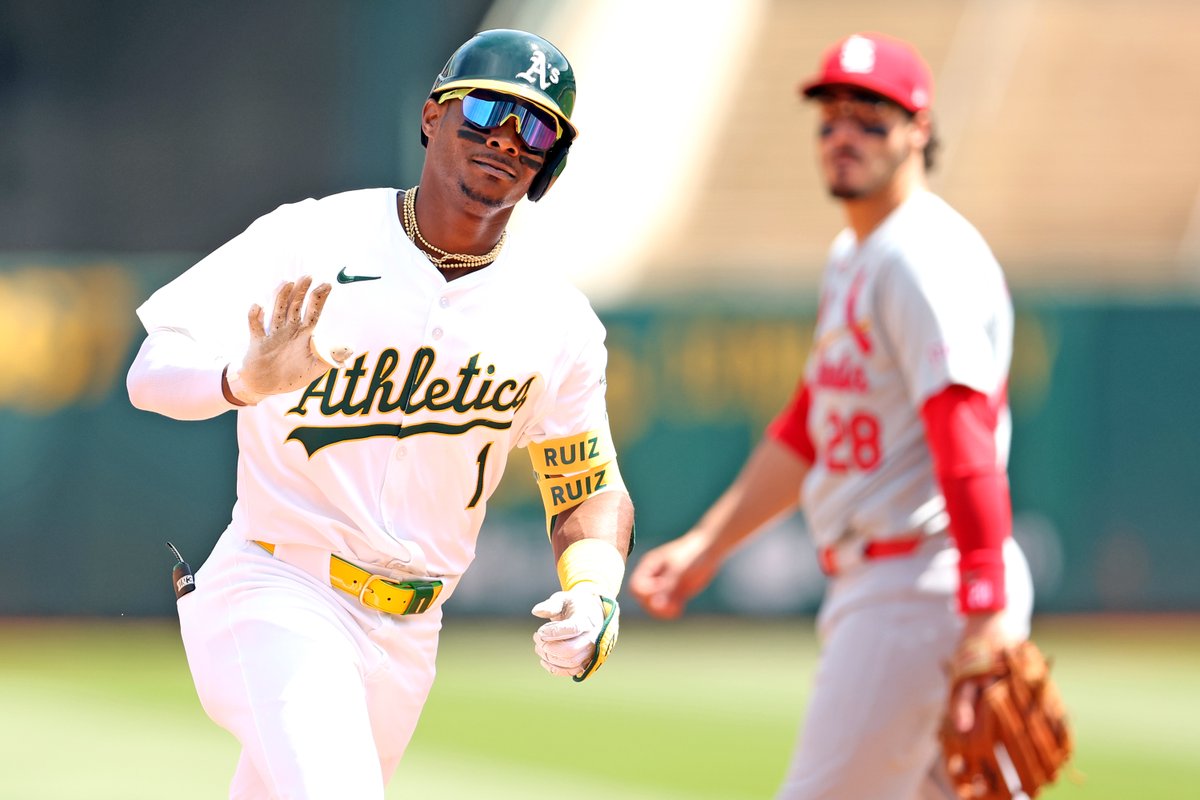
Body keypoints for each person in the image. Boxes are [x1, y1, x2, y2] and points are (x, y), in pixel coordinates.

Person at [127, 28, 634, 799]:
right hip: (277, 588)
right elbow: (149, 372)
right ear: (433, 116)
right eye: (488, 109)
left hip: (410, 633)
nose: (504, 137)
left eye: (534, 126)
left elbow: (588, 490)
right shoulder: (312, 234)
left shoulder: (555, 319)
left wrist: (595, 590)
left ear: (548, 165)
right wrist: (241, 377)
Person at [629, 32, 1033, 800]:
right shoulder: (859, 253)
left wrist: (983, 607)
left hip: (921, 584)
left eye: (870, 117)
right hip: (902, 582)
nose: (844, 134)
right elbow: (810, 422)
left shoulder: (920, 256)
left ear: (920, 130)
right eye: (830, 117)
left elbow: (965, 433)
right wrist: (707, 546)